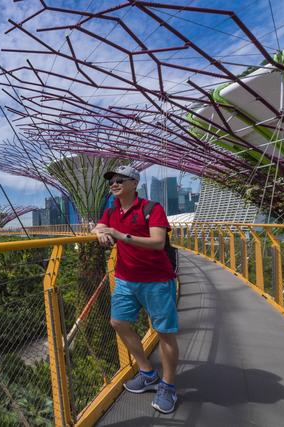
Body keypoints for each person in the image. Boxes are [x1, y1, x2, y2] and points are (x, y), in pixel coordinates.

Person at [92, 165, 179, 414]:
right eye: (111, 181)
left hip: (157, 280)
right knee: (118, 322)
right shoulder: (111, 211)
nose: (114, 184)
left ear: (134, 183)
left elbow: (158, 242)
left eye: (120, 180)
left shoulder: (152, 208)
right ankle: (147, 372)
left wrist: (121, 234)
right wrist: (99, 232)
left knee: (165, 333)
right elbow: (97, 226)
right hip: (125, 279)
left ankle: (168, 386)